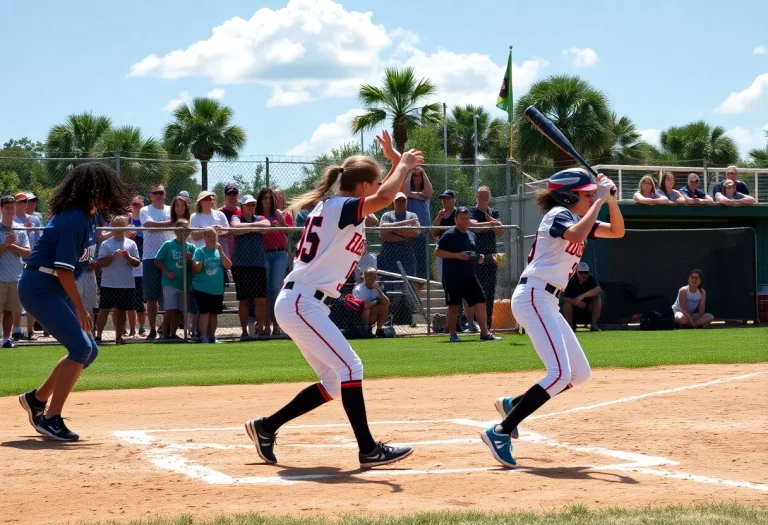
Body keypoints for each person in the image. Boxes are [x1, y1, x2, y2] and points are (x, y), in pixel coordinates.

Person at [244, 130, 421, 469]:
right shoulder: (342, 207)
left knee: (334, 381)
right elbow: (385, 196)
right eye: (375, 183)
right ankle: (368, 449)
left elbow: (384, 190)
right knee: (352, 367)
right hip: (302, 302)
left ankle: (266, 427)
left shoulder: (336, 206)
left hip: (302, 302)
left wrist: (396, 160)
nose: (380, 187)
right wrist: (405, 164)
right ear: (364, 186)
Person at [482, 168, 624, 468]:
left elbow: (617, 231)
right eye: (585, 194)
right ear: (568, 196)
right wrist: (599, 200)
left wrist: (610, 201)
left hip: (547, 299)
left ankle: (514, 404)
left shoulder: (579, 218)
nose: (589, 198)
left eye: (590, 194)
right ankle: (500, 432)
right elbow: (575, 234)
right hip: (534, 296)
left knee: (578, 374)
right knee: (558, 373)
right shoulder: (559, 215)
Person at [17, 162, 132, 441]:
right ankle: (51, 418)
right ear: (92, 189)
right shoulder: (72, 218)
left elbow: (77, 264)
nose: (110, 192)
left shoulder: (89, 216)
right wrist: (80, 307)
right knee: (81, 347)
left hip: (55, 288)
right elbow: (65, 270)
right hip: (40, 286)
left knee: (88, 351)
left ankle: (37, 399)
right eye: (105, 187)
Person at [435, 207, 501, 343]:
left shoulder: (471, 235)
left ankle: (484, 333)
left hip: (469, 276)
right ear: (456, 219)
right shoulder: (449, 234)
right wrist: (456, 256)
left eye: (466, 218)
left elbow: (473, 253)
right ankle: (453, 334)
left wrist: (479, 257)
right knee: (454, 305)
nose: (465, 221)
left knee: (481, 300)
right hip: (453, 277)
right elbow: (437, 252)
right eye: (461, 218)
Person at [230, 194, 271, 340]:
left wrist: (247, 228)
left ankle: (259, 329)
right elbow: (235, 229)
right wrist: (254, 228)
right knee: (244, 299)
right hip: (241, 264)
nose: (251, 207)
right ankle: (244, 331)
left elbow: (266, 227)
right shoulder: (236, 217)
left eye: (253, 204)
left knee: (260, 299)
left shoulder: (260, 218)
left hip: (258, 264)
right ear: (242, 206)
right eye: (248, 204)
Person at [95, 216, 140, 344]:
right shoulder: (106, 243)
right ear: (112, 226)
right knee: (104, 310)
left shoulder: (131, 244)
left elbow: (137, 262)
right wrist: (113, 255)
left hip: (126, 284)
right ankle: (98, 336)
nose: (119, 228)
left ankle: (118, 337)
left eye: (122, 225)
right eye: (117, 225)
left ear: (126, 226)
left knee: (122, 311)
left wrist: (128, 257)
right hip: (108, 283)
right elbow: (101, 262)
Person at [256, 187, 293, 336]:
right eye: (265, 198)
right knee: (264, 290)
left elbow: (290, 231)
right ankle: (265, 326)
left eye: (270, 198)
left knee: (276, 289)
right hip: (263, 253)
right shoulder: (257, 215)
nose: (268, 201)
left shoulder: (277, 214)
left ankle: (277, 325)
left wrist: (279, 226)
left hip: (279, 253)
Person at [139, 184, 174, 340]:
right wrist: (168, 224)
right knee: (152, 297)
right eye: (156, 192)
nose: (159, 195)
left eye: (161, 192)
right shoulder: (145, 210)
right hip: (151, 257)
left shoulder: (171, 209)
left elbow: (179, 223)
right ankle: (152, 329)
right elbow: (148, 226)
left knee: (170, 296)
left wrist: (164, 225)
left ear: (165, 194)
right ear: (150, 195)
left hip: (170, 257)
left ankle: (166, 329)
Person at [469, 186, 504, 331]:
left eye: (486, 196)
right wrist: (492, 224)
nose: (484, 199)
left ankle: (487, 324)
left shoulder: (494, 212)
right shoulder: (471, 211)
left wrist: (493, 224)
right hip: (476, 258)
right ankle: (474, 323)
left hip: (491, 258)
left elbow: (500, 231)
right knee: (476, 291)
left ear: (489, 197)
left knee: (489, 292)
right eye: (481, 196)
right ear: (477, 196)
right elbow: (474, 227)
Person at [155, 219, 196, 340]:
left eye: (186, 230)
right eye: (181, 230)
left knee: (179, 310)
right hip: (170, 282)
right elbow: (157, 260)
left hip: (185, 283)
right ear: (175, 231)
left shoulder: (191, 247)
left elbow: (194, 267)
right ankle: (164, 333)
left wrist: (189, 259)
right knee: (170, 309)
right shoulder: (168, 244)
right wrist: (167, 272)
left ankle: (173, 334)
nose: (184, 232)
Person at [191, 228, 231, 343]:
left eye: (214, 236)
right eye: (209, 236)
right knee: (205, 312)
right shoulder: (199, 251)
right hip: (202, 288)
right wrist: (200, 261)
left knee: (214, 314)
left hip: (217, 289)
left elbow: (228, 266)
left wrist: (221, 252)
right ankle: (203, 336)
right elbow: (196, 269)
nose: (212, 239)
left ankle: (212, 337)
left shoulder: (219, 252)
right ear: (204, 238)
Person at [1, 195, 30, 348]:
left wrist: (12, 247)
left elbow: (27, 252)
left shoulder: (20, 228)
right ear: (1, 209)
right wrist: (6, 245)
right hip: (0, 277)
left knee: (9, 311)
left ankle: (6, 339)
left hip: (15, 276)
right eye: (7, 208)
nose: (11, 210)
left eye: (12, 207)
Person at [11, 192, 39, 341]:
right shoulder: (11, 220)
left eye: (25, 202)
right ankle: (16, 330)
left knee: (31, 297)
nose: (22, 204)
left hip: (32, 261)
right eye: (19, 202)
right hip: (16, 262)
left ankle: (31, 330)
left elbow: (40, 240)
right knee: (16, 298)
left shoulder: (35, 219)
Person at [378, 192, 419, 282]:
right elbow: (383, 233)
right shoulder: (387, 215)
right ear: (393, 202)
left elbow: (415, 232)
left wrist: (392, 230)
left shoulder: (412, 215)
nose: (401, 202)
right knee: (388, 280)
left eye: (403, 200)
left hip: (406, 253)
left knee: (408, 280)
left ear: (407, 202)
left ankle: (407, 296)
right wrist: (404, 225)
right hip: (388, 253)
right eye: (398, 200)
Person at [402, 167, 432, 288]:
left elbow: (428, 193)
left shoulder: (425, 189)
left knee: (422, 262)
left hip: (423, 231)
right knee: (411, 261)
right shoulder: (408, 190)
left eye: (419, 175)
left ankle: (421, 288)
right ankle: (411, 287)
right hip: (410, 231)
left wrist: (423, 171)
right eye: (414, 175)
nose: (417, 178)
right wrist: (409, 172)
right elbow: (405, 193)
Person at [127, 195, 147, 337]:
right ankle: (129, 328)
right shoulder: (127, 219)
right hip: (128, 258)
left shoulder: (146, 217)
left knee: (140, 299)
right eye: (133, 204)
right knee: (128, 299)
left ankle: (142, 327)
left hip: (143, 257)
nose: (135, 207)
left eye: (138, 204)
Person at [562, 262, 602, 331]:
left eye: (586, 272)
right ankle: (569, 327)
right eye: (581, 272)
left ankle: (594, 325)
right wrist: (576, 302)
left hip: (588, 309)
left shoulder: (590, 278)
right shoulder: (570, 280)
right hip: (574, 311)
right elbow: (564, 298)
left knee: (597, 298)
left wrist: (582, 296)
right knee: (566, 305)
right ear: (576, 272)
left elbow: (598, 290)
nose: (584, 275)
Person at [352, 268, 390, 337]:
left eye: (375, 276)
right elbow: (364, 306)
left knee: (384, 306)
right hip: (359, 315)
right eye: (371, 276)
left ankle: (379, 330)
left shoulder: (378, 288)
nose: (374, 278)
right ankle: (366, 330)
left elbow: (387, 303)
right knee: (367, 309)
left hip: (372, 313)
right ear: (365, 278)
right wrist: (376, 301)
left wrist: (378, 290)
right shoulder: (359, 289)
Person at [432, 189, 458, 282]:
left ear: (454, 200)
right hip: (442, 249)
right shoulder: (441, 214)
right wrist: (439, 217)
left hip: (456, 249)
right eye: (442, 198)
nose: (444, 200)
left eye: (447, 198)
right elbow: (434, 232)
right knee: (442, 278)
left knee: (456, 276)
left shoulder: (458, 213)